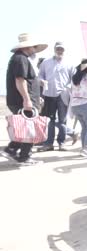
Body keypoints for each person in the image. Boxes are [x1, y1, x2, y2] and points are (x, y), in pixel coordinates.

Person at [1, 33, 48, 165]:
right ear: (29, 47)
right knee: (29, 127)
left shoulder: (19, 58)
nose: (35, 49)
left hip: (24, 100)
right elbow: (20, 80)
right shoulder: (21, 59)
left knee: (26, 126)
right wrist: (27, 99)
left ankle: (13, 150)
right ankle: (23, 156)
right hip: (22, 101)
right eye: (34, 46)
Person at [37, 42, 76, 152]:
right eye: (58, 49)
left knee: (63, 121)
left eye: (62, 49)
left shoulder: (69, 63)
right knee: (50, 120)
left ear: (64, 50)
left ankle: (61, 143)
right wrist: (41, 81)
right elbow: (40, 75)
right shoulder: (46, 62)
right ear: (54, 49)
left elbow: (74, 79)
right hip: (49, 94)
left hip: (63, 95)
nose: (60, 51)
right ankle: (49, 144)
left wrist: (68, 87)